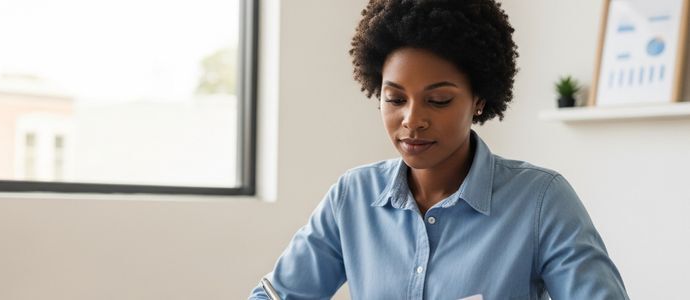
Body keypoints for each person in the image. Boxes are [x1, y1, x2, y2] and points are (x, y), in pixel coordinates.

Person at [249, 0, 629, 299]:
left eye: (440, 100)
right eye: (394, 98)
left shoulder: (540, 201)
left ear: (478, 99)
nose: (412, 120)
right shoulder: (352, 197)